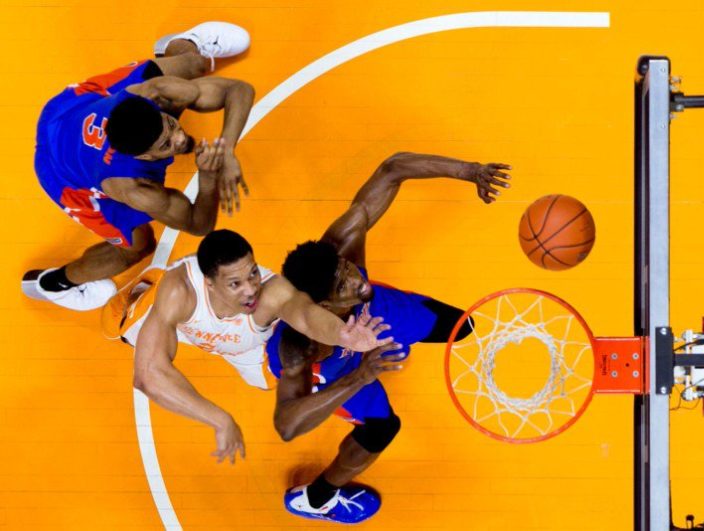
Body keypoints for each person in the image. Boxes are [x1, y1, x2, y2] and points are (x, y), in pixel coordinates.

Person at [268, 152, 511, 523]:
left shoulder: (343, 245)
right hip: (339, 370)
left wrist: (470, 171)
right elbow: (286, 426)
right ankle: (318, 498)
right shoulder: (300, 347)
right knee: (383, 428)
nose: (356, 278)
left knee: (463, 327)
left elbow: (392, 168)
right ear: (322, 304)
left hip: (378, 313)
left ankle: (385, 342)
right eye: (343, 284)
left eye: (347, 268)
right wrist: (360, 376)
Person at [100, 229, 392, 464]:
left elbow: (305, 315)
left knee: (268, 382)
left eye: (252, 273)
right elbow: (148, 376)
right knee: (126, 331)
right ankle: (144, 293)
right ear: (210, 283)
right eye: (235, 283)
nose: (251, 288)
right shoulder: (181, 292)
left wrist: (343, 335)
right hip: (187, 322)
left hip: (247, 346)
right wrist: (220, 420)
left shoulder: (272, 291)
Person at [23, 22, 256, 311]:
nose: (181, 137)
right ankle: (56, 284)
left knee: (194, 65)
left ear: (155, 105)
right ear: (143, 158)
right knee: (139, 245)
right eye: (166, 145)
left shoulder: (154, 93)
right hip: (60, 172)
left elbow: (239, 90)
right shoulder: (135, 189)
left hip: (66, 108)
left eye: (171, 125)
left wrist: (227, 148)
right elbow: (198, 224)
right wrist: (208, 177)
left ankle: (181, 43)